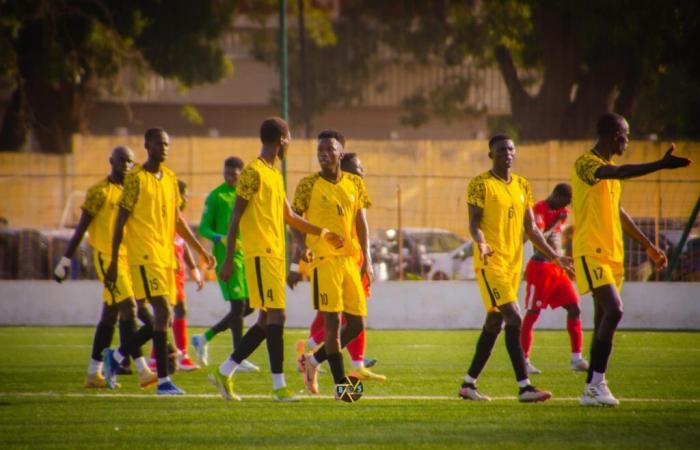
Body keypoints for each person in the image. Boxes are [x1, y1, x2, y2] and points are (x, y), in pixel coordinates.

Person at [209, 117, 344, 402]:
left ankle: (225, 371)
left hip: (274, 256)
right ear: (283, 139)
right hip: (259, 254)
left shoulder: (274, 174)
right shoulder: (253, 172)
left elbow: (290, 217)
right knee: (277, 316)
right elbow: (235, 216)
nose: (290, 143)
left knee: (264, 321)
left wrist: (320, 233)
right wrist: (228, 259)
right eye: (290, 139)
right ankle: (279, 387)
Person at [572, 113, 691, 407]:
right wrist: (660, 165)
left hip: (613, 255)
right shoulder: (586, 163)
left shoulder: (609, 170)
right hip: (591, 251)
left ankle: (591, 389)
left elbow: (618, 213)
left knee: (604, 318)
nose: (628, 140)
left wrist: (649, 246)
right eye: (626, 134)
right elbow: (621, 173)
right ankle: (598, 382)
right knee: (615, 310)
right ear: (614, 135)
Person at [459, 134, 574, 403]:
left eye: (510, 149)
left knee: (495, 322)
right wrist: (482, 242)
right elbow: (474, 222)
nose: (506, 153)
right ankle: (525, 387)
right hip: (490, 262)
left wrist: (555, 256)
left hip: (513, 264)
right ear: (491, 155)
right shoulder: (480, 184)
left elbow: (532, 228)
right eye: (500, 150)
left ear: (515, 153)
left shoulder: (523, 184)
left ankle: (468, 384)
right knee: (515, 318)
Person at [102, 127, 215, 395]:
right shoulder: (135, 179)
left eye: (166, 144)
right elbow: (120, 222)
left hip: (165, 259)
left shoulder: (171, 179)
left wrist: (200, 250)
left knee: (161, 320)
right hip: (142, 255)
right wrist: (115, 262)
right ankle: (163, 382)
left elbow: (178, 221)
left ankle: (117, 356)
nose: (163, 148)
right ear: (146, 145)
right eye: (158, 144)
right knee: (163, 312)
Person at [53, 146, 158, 389]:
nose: (127, 165)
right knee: (130, 308)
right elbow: (81, 228)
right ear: (111, 160)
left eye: (131, 161)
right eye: (122, 160)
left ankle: (93, 372)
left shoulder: (132, 192)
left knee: (109, 315)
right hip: (107, 259)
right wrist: (65, 261)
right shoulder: (99, 192)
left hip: (129, 258)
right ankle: (142, 369)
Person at [287, 131, 377, 398]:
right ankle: (342, 388)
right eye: (320, 150)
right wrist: (300, 247)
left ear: (340, 153)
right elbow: (293, 220)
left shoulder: (355, 184)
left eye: (329, 149)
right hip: (324, 260)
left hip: (350, 260)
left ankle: (313, 361)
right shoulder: (307, 185)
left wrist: (367, 260)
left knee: (357, 325)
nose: (323, 153)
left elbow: (362, 224)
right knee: (332, 326)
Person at [191, 157, 259, 372]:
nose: (229, 175)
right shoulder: (216, 196)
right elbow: (203, 229)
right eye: (226, 172)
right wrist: (220, 238)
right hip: (228, 258)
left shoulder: (247, 195)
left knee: (252, 305)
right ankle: (237, 357)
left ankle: (204, 338)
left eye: (234, 172)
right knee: (238, 306)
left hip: (247, 256)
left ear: (242, 173)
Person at [520, 183, 589, 374]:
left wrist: (565, 263)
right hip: (540, 267)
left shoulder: (561, 212)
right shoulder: (539, 209)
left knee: (574, 307)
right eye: (565, 201)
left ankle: (576, 358)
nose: (566, 207)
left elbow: (557, 241)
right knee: (533, 313)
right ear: (557, 195)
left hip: (557, 270)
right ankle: (523, 359)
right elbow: (538, 237)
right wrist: (555, 221)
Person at [169, 180, 204, 371]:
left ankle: (180, 354)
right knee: (166, 313)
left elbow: (182, 245)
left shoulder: (178, 216)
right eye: (184, 193)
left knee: (176, 311)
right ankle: (162, 356)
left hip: (178, 273)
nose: (186, 197)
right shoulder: (166, 215)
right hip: (166, 269)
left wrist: (194, 269)